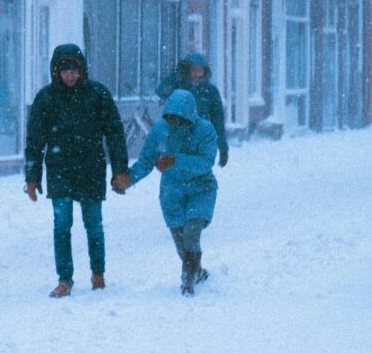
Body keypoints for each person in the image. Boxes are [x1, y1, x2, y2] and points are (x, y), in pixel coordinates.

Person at [24, 44, 129, 297]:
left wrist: (120, 170)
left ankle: (98, 273)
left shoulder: (98, 95)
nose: (70, 76)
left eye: (74, 71)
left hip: (91, 170)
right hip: (60, 172)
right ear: (56, 72)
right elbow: (35, 141)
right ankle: (65, 279)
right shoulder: (46, 99)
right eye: (65, 71)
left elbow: (115, 134)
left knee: (93, 224)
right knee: (62, 225)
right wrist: (32, 176)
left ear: (82, 70)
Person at [117, 89, 218, 297]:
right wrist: (129, 179)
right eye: (171, 119)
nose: (175, 124)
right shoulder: (160, 130)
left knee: (192, 233)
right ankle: (195, 270)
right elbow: (146, 160)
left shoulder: (205, 130)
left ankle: (187, 278)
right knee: (181, 242)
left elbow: (206, 163)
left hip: (201, 189)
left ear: (189, 116)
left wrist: (176, 160)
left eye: (180, 120)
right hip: (172, 192)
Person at [155, 53, 229, 168]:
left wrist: (223, 147)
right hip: (177, 141)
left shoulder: (210, 91)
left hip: (201, 142)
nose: (196, 74)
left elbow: (218, 120)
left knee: (199, 176)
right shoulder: (178, 86)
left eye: (199, 71)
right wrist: (176, 74)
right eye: (193, 70)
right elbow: (161, 91)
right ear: (186, 71)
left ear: (205, 72)